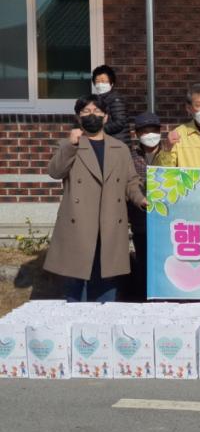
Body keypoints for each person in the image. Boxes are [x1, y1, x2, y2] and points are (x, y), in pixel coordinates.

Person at [43, 94, 147, 302]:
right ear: (78, 117)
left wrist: (140, 199)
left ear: (106, 117)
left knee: (107, 284)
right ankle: (74, 320)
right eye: (86, 112)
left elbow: (131, 181)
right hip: (79, 224)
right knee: (76, 284)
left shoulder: (120, 148)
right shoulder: (69, 145)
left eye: (97, 111)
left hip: (111, 223)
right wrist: (71, 145)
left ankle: (103, 320)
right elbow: (55, 172)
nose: (92, 115)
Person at [127, 111, 162, 301]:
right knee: (144, 260)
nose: (150, 135)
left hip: (167, 220)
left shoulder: (170, 152)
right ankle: (143, 298)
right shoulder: (130, 156)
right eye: (144, 131)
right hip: (141, 219)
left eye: (153, 130)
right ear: (137, 134)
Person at [91, 64, 130, 146]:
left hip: (118, 143)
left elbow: (119, 123)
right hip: (110, 142)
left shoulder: (116, 99)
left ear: (111, 83)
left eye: (103, 81)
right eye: (97, 81)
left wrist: (99, 129)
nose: (100, 84)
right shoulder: (101, 99)